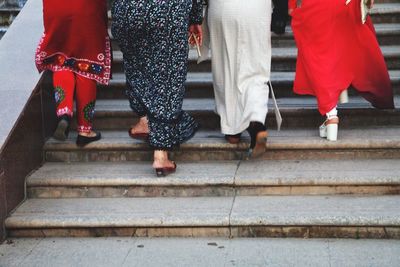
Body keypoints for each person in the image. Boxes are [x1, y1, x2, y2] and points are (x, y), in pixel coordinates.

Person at [112, 0, 203, 176]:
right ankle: (161, 153)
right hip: (168, 11)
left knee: (135, 64)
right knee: (168, 77)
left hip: (127, 11)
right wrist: (195, 17)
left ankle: (144, 120)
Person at [289, 0, 394, 141]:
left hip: (314, 5)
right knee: (341, 45)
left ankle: (331, 114)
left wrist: (292, 5)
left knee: (317, 54)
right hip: (344, 4)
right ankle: (336, 99)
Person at [35, 0, 111, 146]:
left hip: (56, 8)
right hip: (86, 8)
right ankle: (84, 130)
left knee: (61, 61)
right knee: (87, 65)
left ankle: (64, 112)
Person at [202, 0, 272, 158]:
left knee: (224, 66)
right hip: (257, 9)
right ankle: (255, 119)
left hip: (222, 7)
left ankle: (232, 129)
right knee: (255, 70)